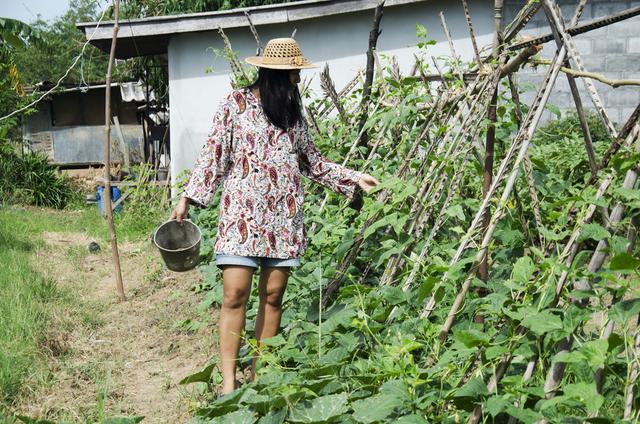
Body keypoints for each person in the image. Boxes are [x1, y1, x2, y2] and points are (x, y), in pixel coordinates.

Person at [170, 37, 380, 395]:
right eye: (292, 74)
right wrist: (188, 198)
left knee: (272, 296)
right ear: (272, 74)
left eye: (296, 73)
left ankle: (261, 376)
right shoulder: (235, 104)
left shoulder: (292, 115)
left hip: (283, 219)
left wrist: (353, 176)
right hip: (241, 217)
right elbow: (214, 153)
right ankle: (227, 382)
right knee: (235, 294)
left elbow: (312, 162)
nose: (296, 80)